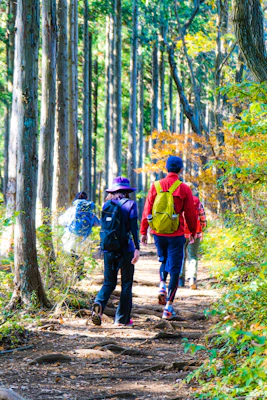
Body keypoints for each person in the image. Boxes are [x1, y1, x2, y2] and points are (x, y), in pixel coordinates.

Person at [140, 156, 197, 320]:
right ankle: (168, 308)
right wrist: (192, 231)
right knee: (175, 270)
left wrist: (144, 231)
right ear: (181, 170)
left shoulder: (156, 186)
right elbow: (190, 214)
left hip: (158, 233)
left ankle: (161, 285)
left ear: (166, 169)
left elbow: (147, 210)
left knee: (163, 260)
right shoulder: (184, 188)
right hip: (176, 234)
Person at [91, 176, 140, 327]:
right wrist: (137, 248)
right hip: (126, 249)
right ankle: (122, 320)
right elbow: (134, 229)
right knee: (126, 285)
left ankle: (98, 306)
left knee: (109, 283)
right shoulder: (131, 205)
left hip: (109, 249)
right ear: (127, 191)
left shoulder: (106, 205)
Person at [179, 183, 207, 290]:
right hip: (195, 232)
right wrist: (202, 227)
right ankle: (192, 279)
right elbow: (202, 215)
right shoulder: (196, 201)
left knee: (181, 255)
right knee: (193, 256)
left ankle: (180, 279)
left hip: (181, 232)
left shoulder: (180, 201)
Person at [59, 191, 100, 256]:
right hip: (84, 238)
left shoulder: (72, 210)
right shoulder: (89, 212)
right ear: (87, 199)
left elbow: (61, 222)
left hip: (72, 236)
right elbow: (97, 224)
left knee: (71, 255)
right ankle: (79, 266)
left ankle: (72, 265)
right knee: (81, 258)